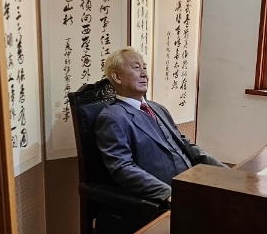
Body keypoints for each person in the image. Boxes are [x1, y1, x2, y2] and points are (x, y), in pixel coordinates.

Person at [94, 47, 225, 204]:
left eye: (144, 68)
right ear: (117, 76)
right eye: (136, 67)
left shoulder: (157, 108)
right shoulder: (112, 118)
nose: (144, 74)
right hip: (166, 194)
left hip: (193, 181)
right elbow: (122, 168)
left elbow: (183, 142)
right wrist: (168, 194)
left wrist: (222, 169)